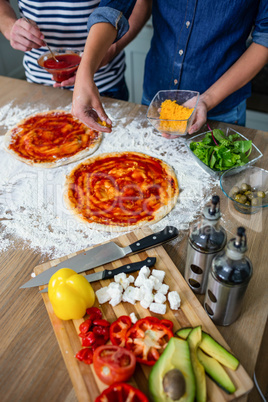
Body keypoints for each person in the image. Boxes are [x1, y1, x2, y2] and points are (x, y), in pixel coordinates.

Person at [71, 0, 268, 134]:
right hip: (156, 99)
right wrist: (85, 72)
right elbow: (114, 7)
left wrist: (206, 100)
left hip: (221, 109)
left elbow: (265, 38)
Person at [0, 0, 151, 100]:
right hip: (38, 83)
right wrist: (8, 25)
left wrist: (111, 49)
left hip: (103, 82)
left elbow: (141, 3)